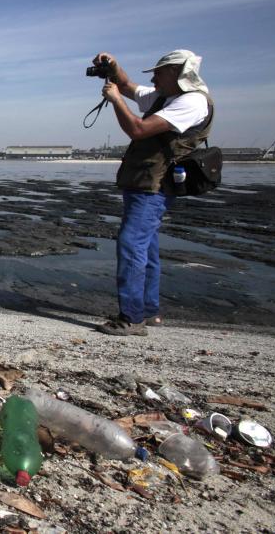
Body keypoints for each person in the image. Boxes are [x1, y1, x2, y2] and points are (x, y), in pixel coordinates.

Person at [92, 49, 213, 336]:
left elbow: (138, 128)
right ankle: (148, 310)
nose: (154, 77)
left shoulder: (192, 102)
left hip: (155, 185)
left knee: (131, 243)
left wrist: (116, 100)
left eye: (159, 72)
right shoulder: (164, 96)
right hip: (143, 181)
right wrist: (114, 66)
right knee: (145, 247)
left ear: (177, 73)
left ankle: (132, 318)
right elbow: (127, 85)